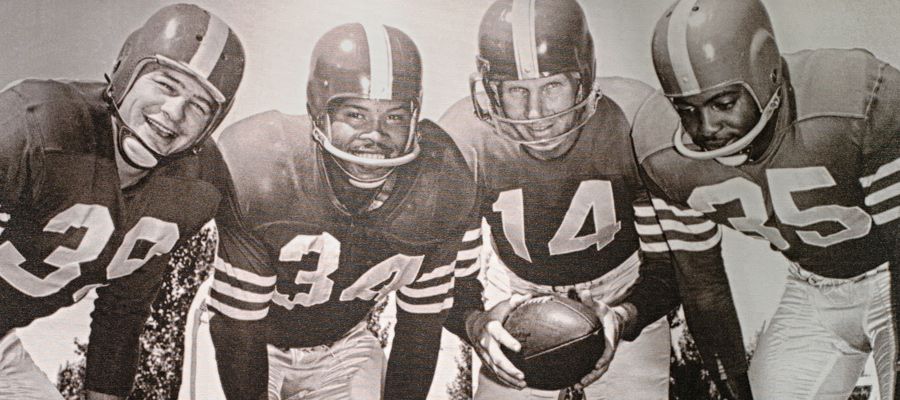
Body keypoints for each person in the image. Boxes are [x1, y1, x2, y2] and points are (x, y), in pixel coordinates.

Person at [439, 0, 750, 398]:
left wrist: (625, 315)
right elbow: (448, 281)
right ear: (490, 92)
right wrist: (476, 323)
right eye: (516, 89)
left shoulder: (635, 121)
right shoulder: (465, 142)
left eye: (552, 85)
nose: (535, 112)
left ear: (584, 79)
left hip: (622, 285)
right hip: (516, 293)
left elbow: (678, 267)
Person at [206, 22, 484, 400]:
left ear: (415, 121)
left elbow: (419, 330)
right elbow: (237, 330)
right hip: (248, 340)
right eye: (355, 115)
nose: (375, 134)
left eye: (394, 117)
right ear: (318, 113)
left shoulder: (440, 183)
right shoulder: (266, 167)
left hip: (342, 347)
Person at [645, 0, 900, 398]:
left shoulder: (855, 102)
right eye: (686, 110)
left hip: (890, 274)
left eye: (724, 103)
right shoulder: (663, 157)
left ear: (766, 71)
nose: (706, 127)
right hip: (811, 289)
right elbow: (703, 288)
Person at [0, 4, 244, 400]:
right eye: (166, 85)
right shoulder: (36, 126)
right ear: (126, 70)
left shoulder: (194, 188)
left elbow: (123, 312)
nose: (173, 112)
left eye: (199, 106)